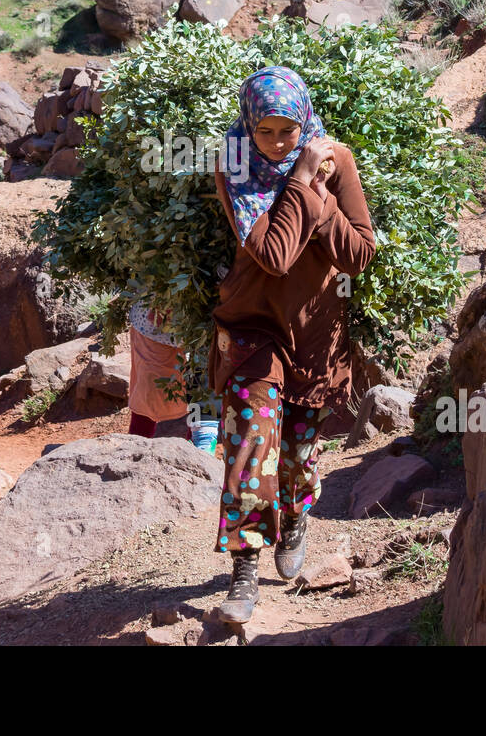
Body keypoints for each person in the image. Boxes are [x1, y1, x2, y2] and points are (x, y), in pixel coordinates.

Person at [208, 66, 376, 622]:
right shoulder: (234, 164)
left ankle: (297, 515)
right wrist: (304, 181)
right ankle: (244, 570)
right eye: (266, 132)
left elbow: (358, 254)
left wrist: (320, 196)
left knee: (299, 453)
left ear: (304, 119)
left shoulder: (337, 159)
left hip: (315, 329)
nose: (278, 143)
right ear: (248, 126)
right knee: (251, 445)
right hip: (253, 324)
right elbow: (274, 255)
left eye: (288, 130)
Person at [126, 300, 192, 440]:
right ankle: (134, 452)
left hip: (203, 327)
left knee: (205, 393)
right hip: (153, 329)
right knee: (147, 396)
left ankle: (199, 453)